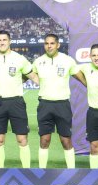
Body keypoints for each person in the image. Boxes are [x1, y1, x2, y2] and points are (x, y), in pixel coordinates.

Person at [0, 30, 39, 168]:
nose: (1, 43)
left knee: (22, 139)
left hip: (16, 102)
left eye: (4, 40)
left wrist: (47, 87)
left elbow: (34, 77)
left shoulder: (19, 58)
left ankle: (27, 171)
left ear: (9, 41)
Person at [33, 33, 86, 168]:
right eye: (46, 43)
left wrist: (94, 87)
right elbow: (25, 76)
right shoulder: (38, 61)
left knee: (66, 140)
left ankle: (71, 170)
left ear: (58, 45)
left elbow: (82, 79)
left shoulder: (68, 60)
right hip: (44, 104)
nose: (49, 46)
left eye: (52, 43)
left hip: (62, 105)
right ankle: (42, 170)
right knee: (44, 140)